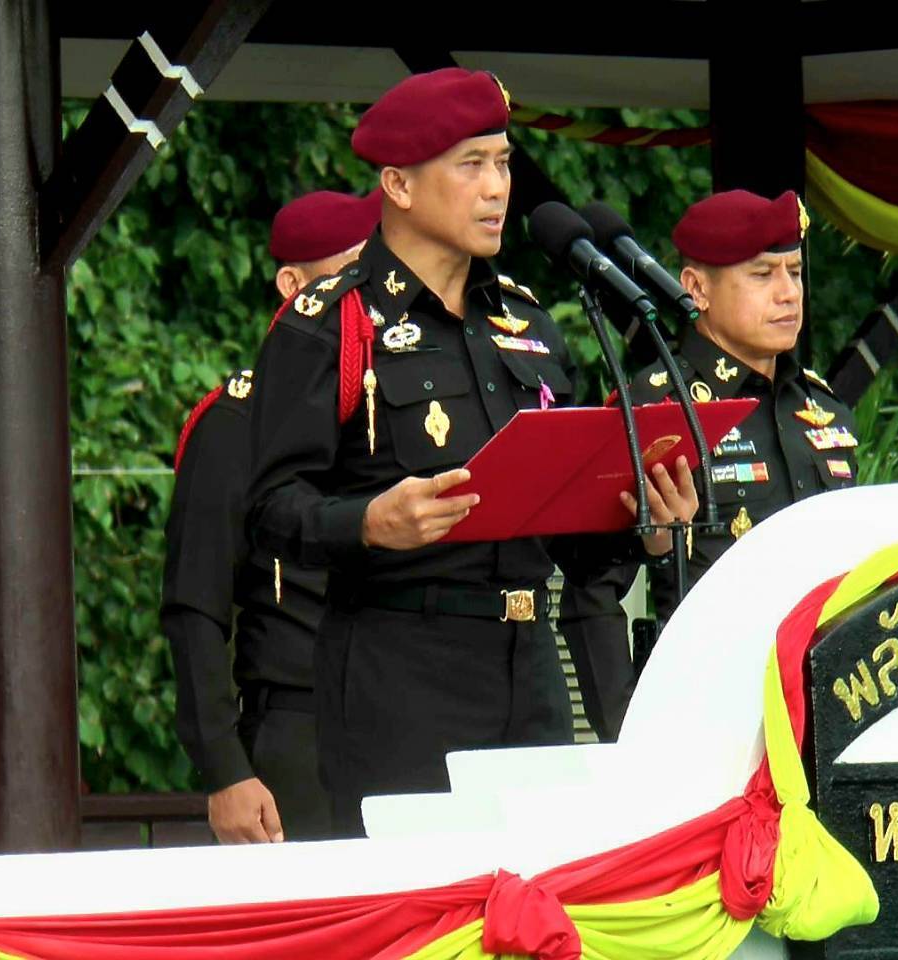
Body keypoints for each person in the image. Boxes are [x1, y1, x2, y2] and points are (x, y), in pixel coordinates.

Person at [243, 68, 697, 833]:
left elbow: (567, 537)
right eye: (471, 165)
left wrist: (642, 527)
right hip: (400, 669)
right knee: (423, 901)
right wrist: (368, 522)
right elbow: (265, 513)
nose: (497, 188)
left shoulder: (527, 324)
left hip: (531, 664)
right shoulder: (330, 321)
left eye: (504, 163)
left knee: (541, 895)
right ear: (399, 184)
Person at [559, 189, 859, 716]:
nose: (788, 293)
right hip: (710, 704)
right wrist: (626, 728)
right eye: (763, 275)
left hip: (827, 699)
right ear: (697, 288)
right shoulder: (656, 407)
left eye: (794, 272)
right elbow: (591, 587)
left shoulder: (822, 407)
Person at [162, 189, 379, 843]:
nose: (368, 293)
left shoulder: (390, 408)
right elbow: (194, 605)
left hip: (403, 713)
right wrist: (225, 769)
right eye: (352, 271)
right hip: (299, 726)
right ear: (293, 285)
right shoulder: (238, 421)